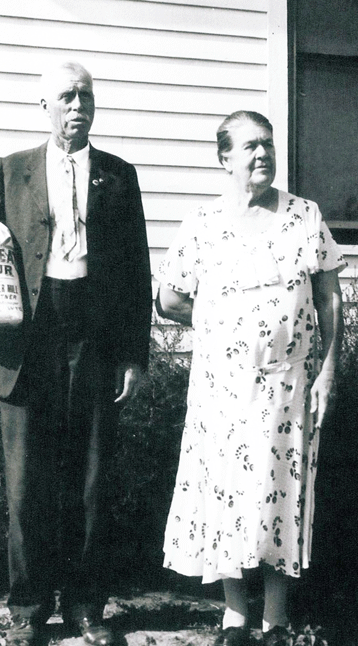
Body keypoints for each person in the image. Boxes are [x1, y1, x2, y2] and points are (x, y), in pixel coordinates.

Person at [0, 60, 152, 646]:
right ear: (44, 106)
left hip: (93, 335)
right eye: (66, 96)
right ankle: (28, 608)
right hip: (28, 338)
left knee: (91, 479)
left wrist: (134, 355)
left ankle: (87, 607)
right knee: (27, 482)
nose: (77, 106)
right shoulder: (11, 171)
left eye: (86, 96)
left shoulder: (119, 176)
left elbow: (137, 272)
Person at [156, 111, 344, 646]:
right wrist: (215, 317)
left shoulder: (305, 216)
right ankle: (235, 617)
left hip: (289, 385)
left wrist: (328, 372)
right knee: (228, 493)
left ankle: (276, 619)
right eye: (250, 147)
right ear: (224, 158)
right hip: (222, 389)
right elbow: (169, 296)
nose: (263, 154)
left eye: (268, 145)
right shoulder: (202, 223)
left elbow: (329, 296)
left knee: (281, 492)